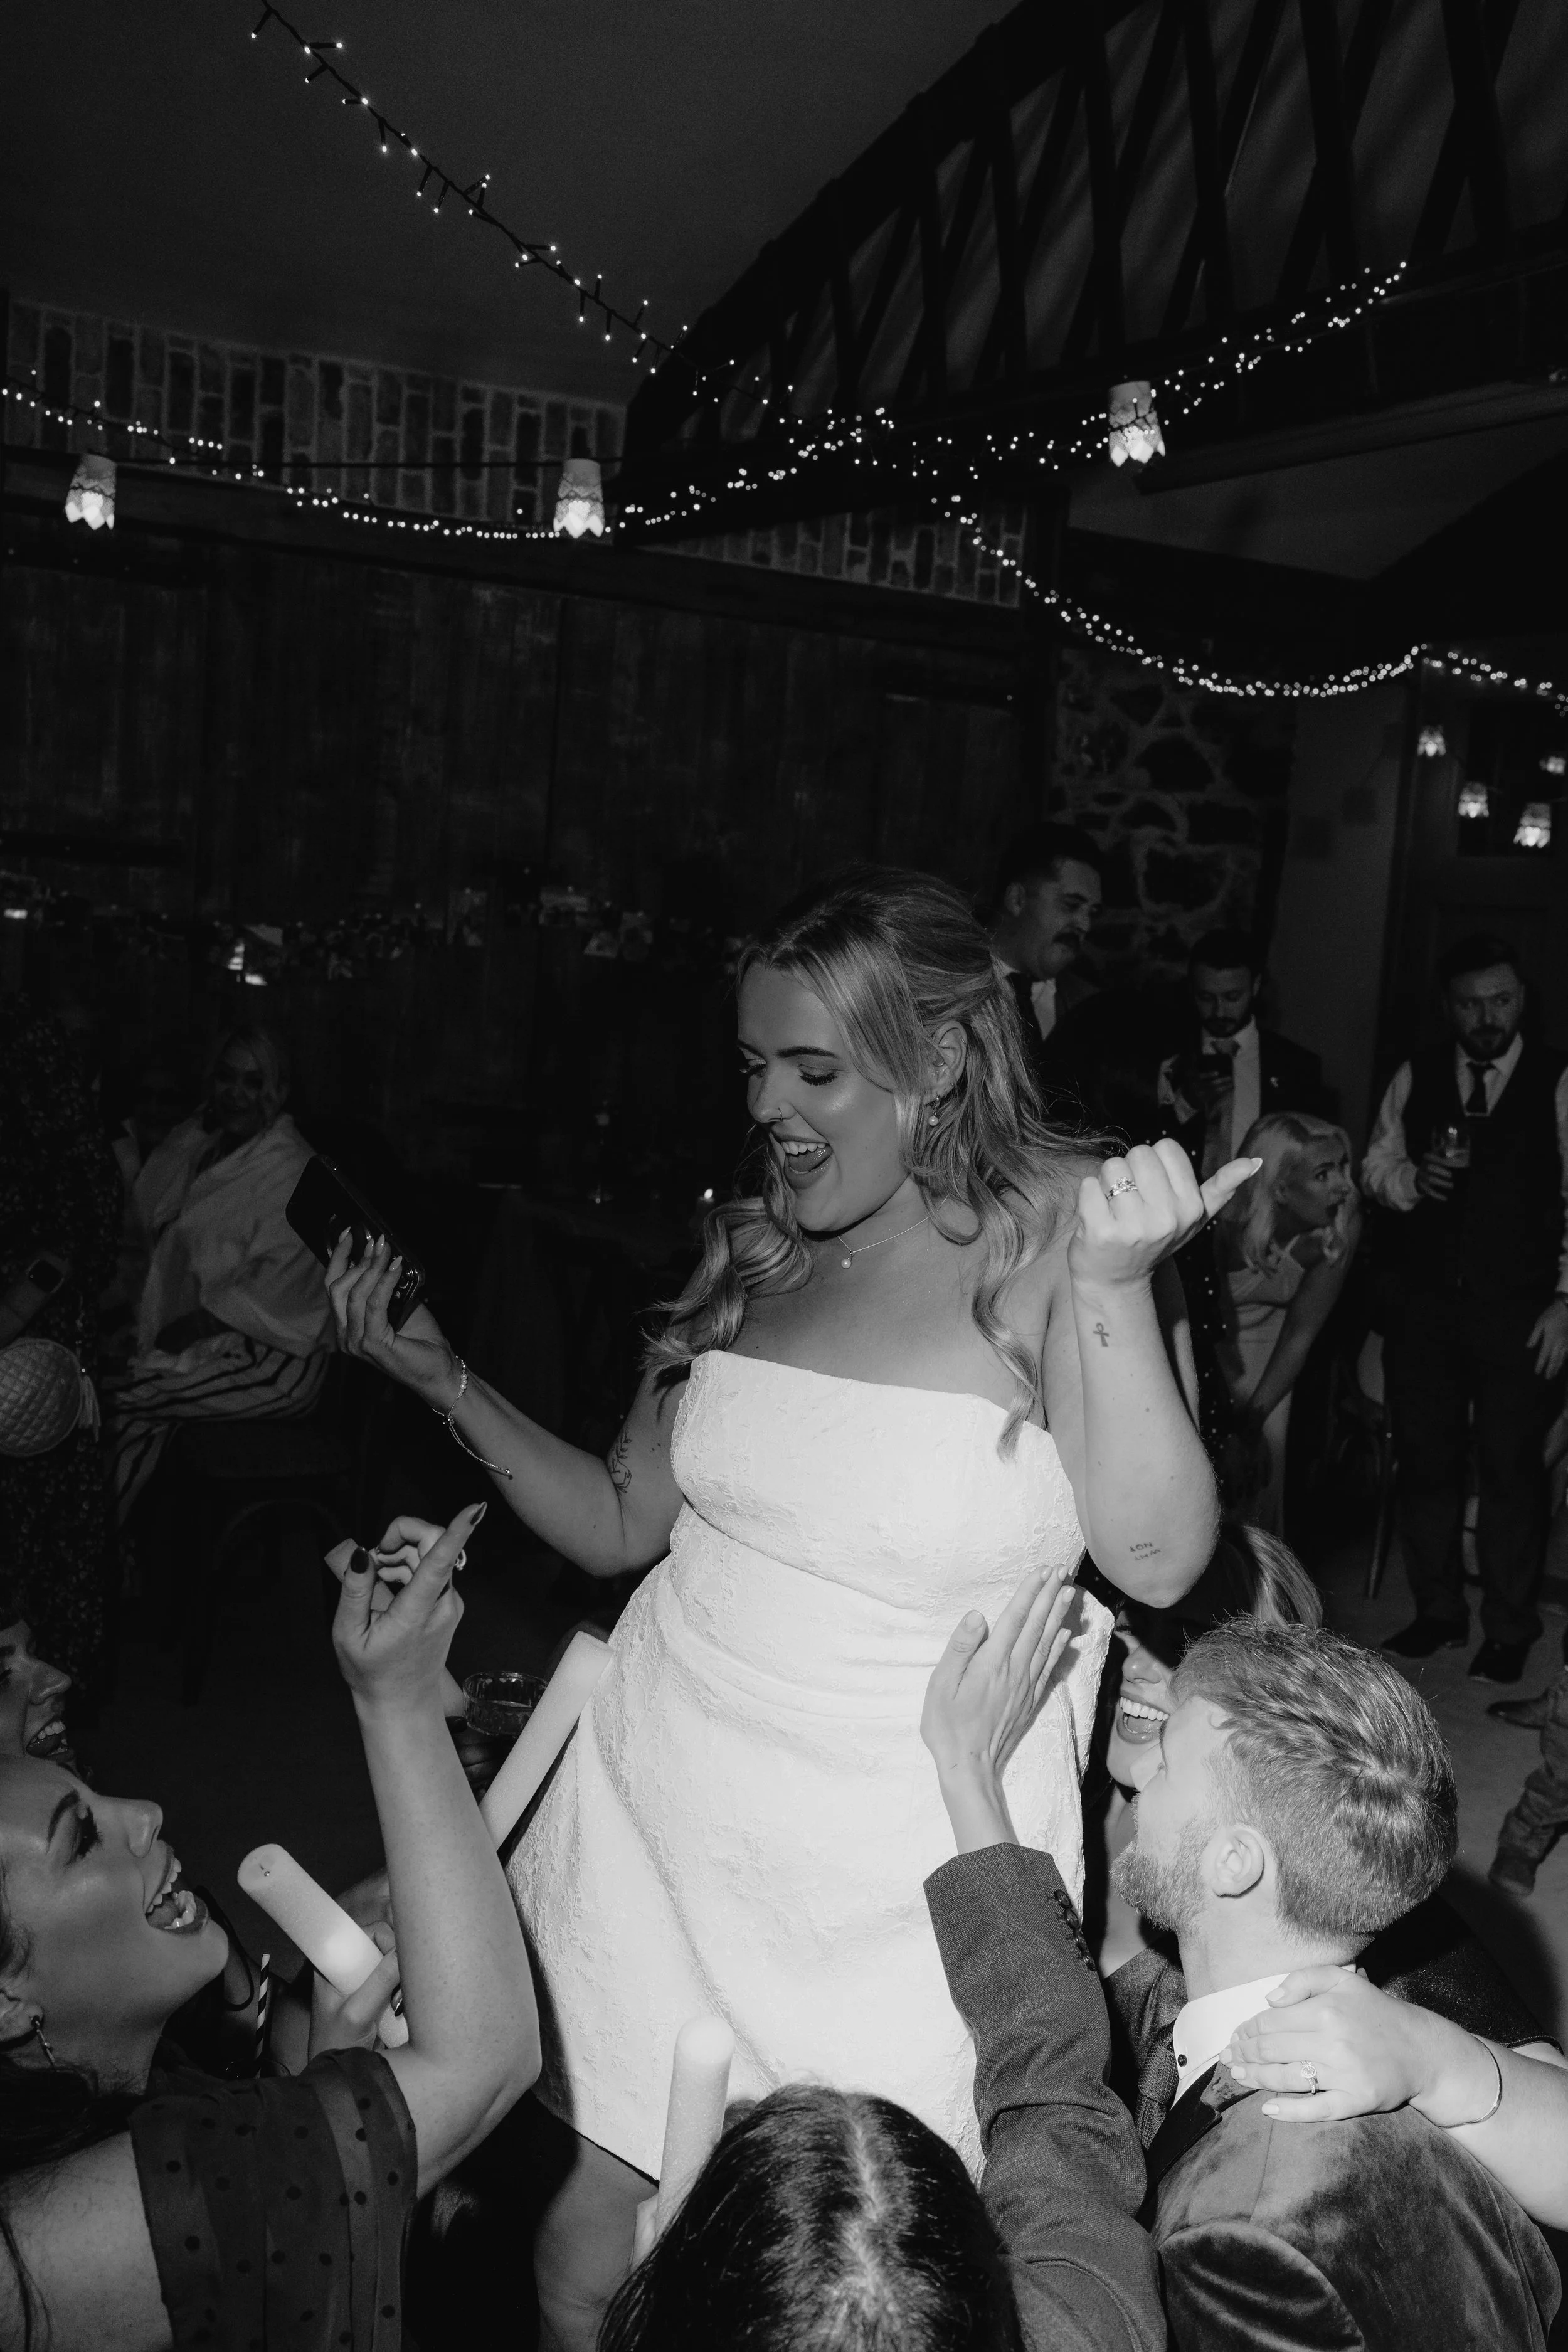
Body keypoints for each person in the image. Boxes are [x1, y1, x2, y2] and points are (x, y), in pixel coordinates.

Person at [330, 866, 1252, 2351]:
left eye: (815, 1067)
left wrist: (1121, 1283)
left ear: (941, 1056)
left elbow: (1154, 1555)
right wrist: (444, 1378)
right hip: (650, 1819)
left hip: (904, 1872)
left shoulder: (1053, 1245)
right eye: (756, 1064)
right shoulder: (755, 1245)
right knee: (586, 2271)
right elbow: (627, 1519)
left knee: (865, 2290)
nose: (772, 1103)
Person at [928, 1613, 1559, 2349]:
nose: (1136, 1773)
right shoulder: (1365, 2002)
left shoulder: (1256, 2226)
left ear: (1235, 1862)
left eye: (1165, 1763)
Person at [0, 1502, 538, 2351]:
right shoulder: (42, 2239)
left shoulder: (107, 2070)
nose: (145, 1810)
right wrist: (394, 1698)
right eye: (82, 1835)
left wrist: (326, 2073)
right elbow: (484, 2059)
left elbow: (254, 2105)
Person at [1364, 934, 1568, 1683]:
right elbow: (1374, 1163)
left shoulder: (1557, 1079)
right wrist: (1411, 1182)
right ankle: (1438, 1612)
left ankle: (1509, 1628)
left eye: (1501, 1000)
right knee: (1426, 1464)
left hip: (1518, 1311)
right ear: (1449, 1006)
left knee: (1512, 1471)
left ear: (1523, 1001)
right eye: (1470, 1003)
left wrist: (1567, 1302)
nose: (1486, 1016)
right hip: (1424, 1307)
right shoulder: (1417, 1071)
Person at [109, 1022, 337, 1521]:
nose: (237, 1094)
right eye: (226, 1077)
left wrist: (176, 1335)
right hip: (211, 1345)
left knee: (113, 1397)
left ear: (279, 1091)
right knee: (137, 1421)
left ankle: (82, 1561)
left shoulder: (292, 1171)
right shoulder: (200, 1143)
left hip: (273, 1361)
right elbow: (154, 1227)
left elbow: (276, 1295)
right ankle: (103, 1559)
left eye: (254, 1082)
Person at [0, 999, 123, 1699]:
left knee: (34, 1542)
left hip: (30, 1352)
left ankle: (41, 1726)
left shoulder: (27, 1041)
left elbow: (89, 1208)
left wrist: (13, 1311)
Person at [1212, 1111, 1360, 1532]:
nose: (1344, 1187)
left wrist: (1252, 1425)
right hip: (1211, 1353)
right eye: (1324, 1174)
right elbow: (1195, 1332)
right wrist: (1226, 1428)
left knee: (1260, 1493)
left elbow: (1302, 1333)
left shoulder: (1340, 1225)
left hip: (1275, 1359)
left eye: (1343, 1168)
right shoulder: (1223, 1222)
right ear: (1280, 1187)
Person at [1157, 930, 1325, 1181]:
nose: (1219, 1011)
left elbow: (1315, 1156)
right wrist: (1186, 1103)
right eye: (1206, 998)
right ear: (1192, 990)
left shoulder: (1297, 1066)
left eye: (1232, 997)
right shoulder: (1166, 1055)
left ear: (1255, 987)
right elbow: (1140, 1138)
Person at [983, 823, 1104, 1089]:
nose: (1084, 924)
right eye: (1071, 905)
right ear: (1017, 900)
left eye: (1093, 912)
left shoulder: (1089, 1005)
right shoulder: (947, 982)